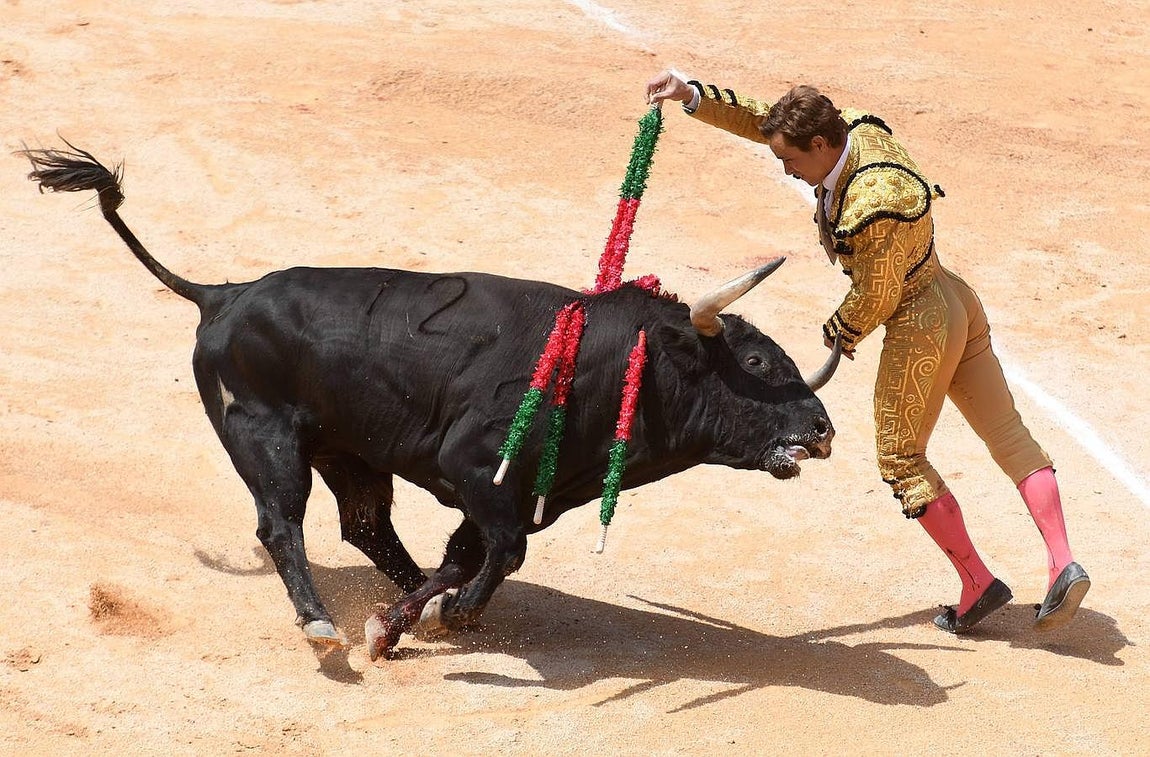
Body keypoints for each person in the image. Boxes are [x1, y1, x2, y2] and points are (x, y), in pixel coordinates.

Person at [646, 70, 1089, 634]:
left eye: (791, 161)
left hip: (919, 321)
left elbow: (877, 294)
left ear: (820, 146)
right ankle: (1062, 561)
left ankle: (978, 584)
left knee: (901, 458)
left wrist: (842, 328)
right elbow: (767, 122)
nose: (785, 169)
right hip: (953, 296)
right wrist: (693, 95)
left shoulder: (875, 203)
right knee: (1008, 434)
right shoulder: (851, 132)